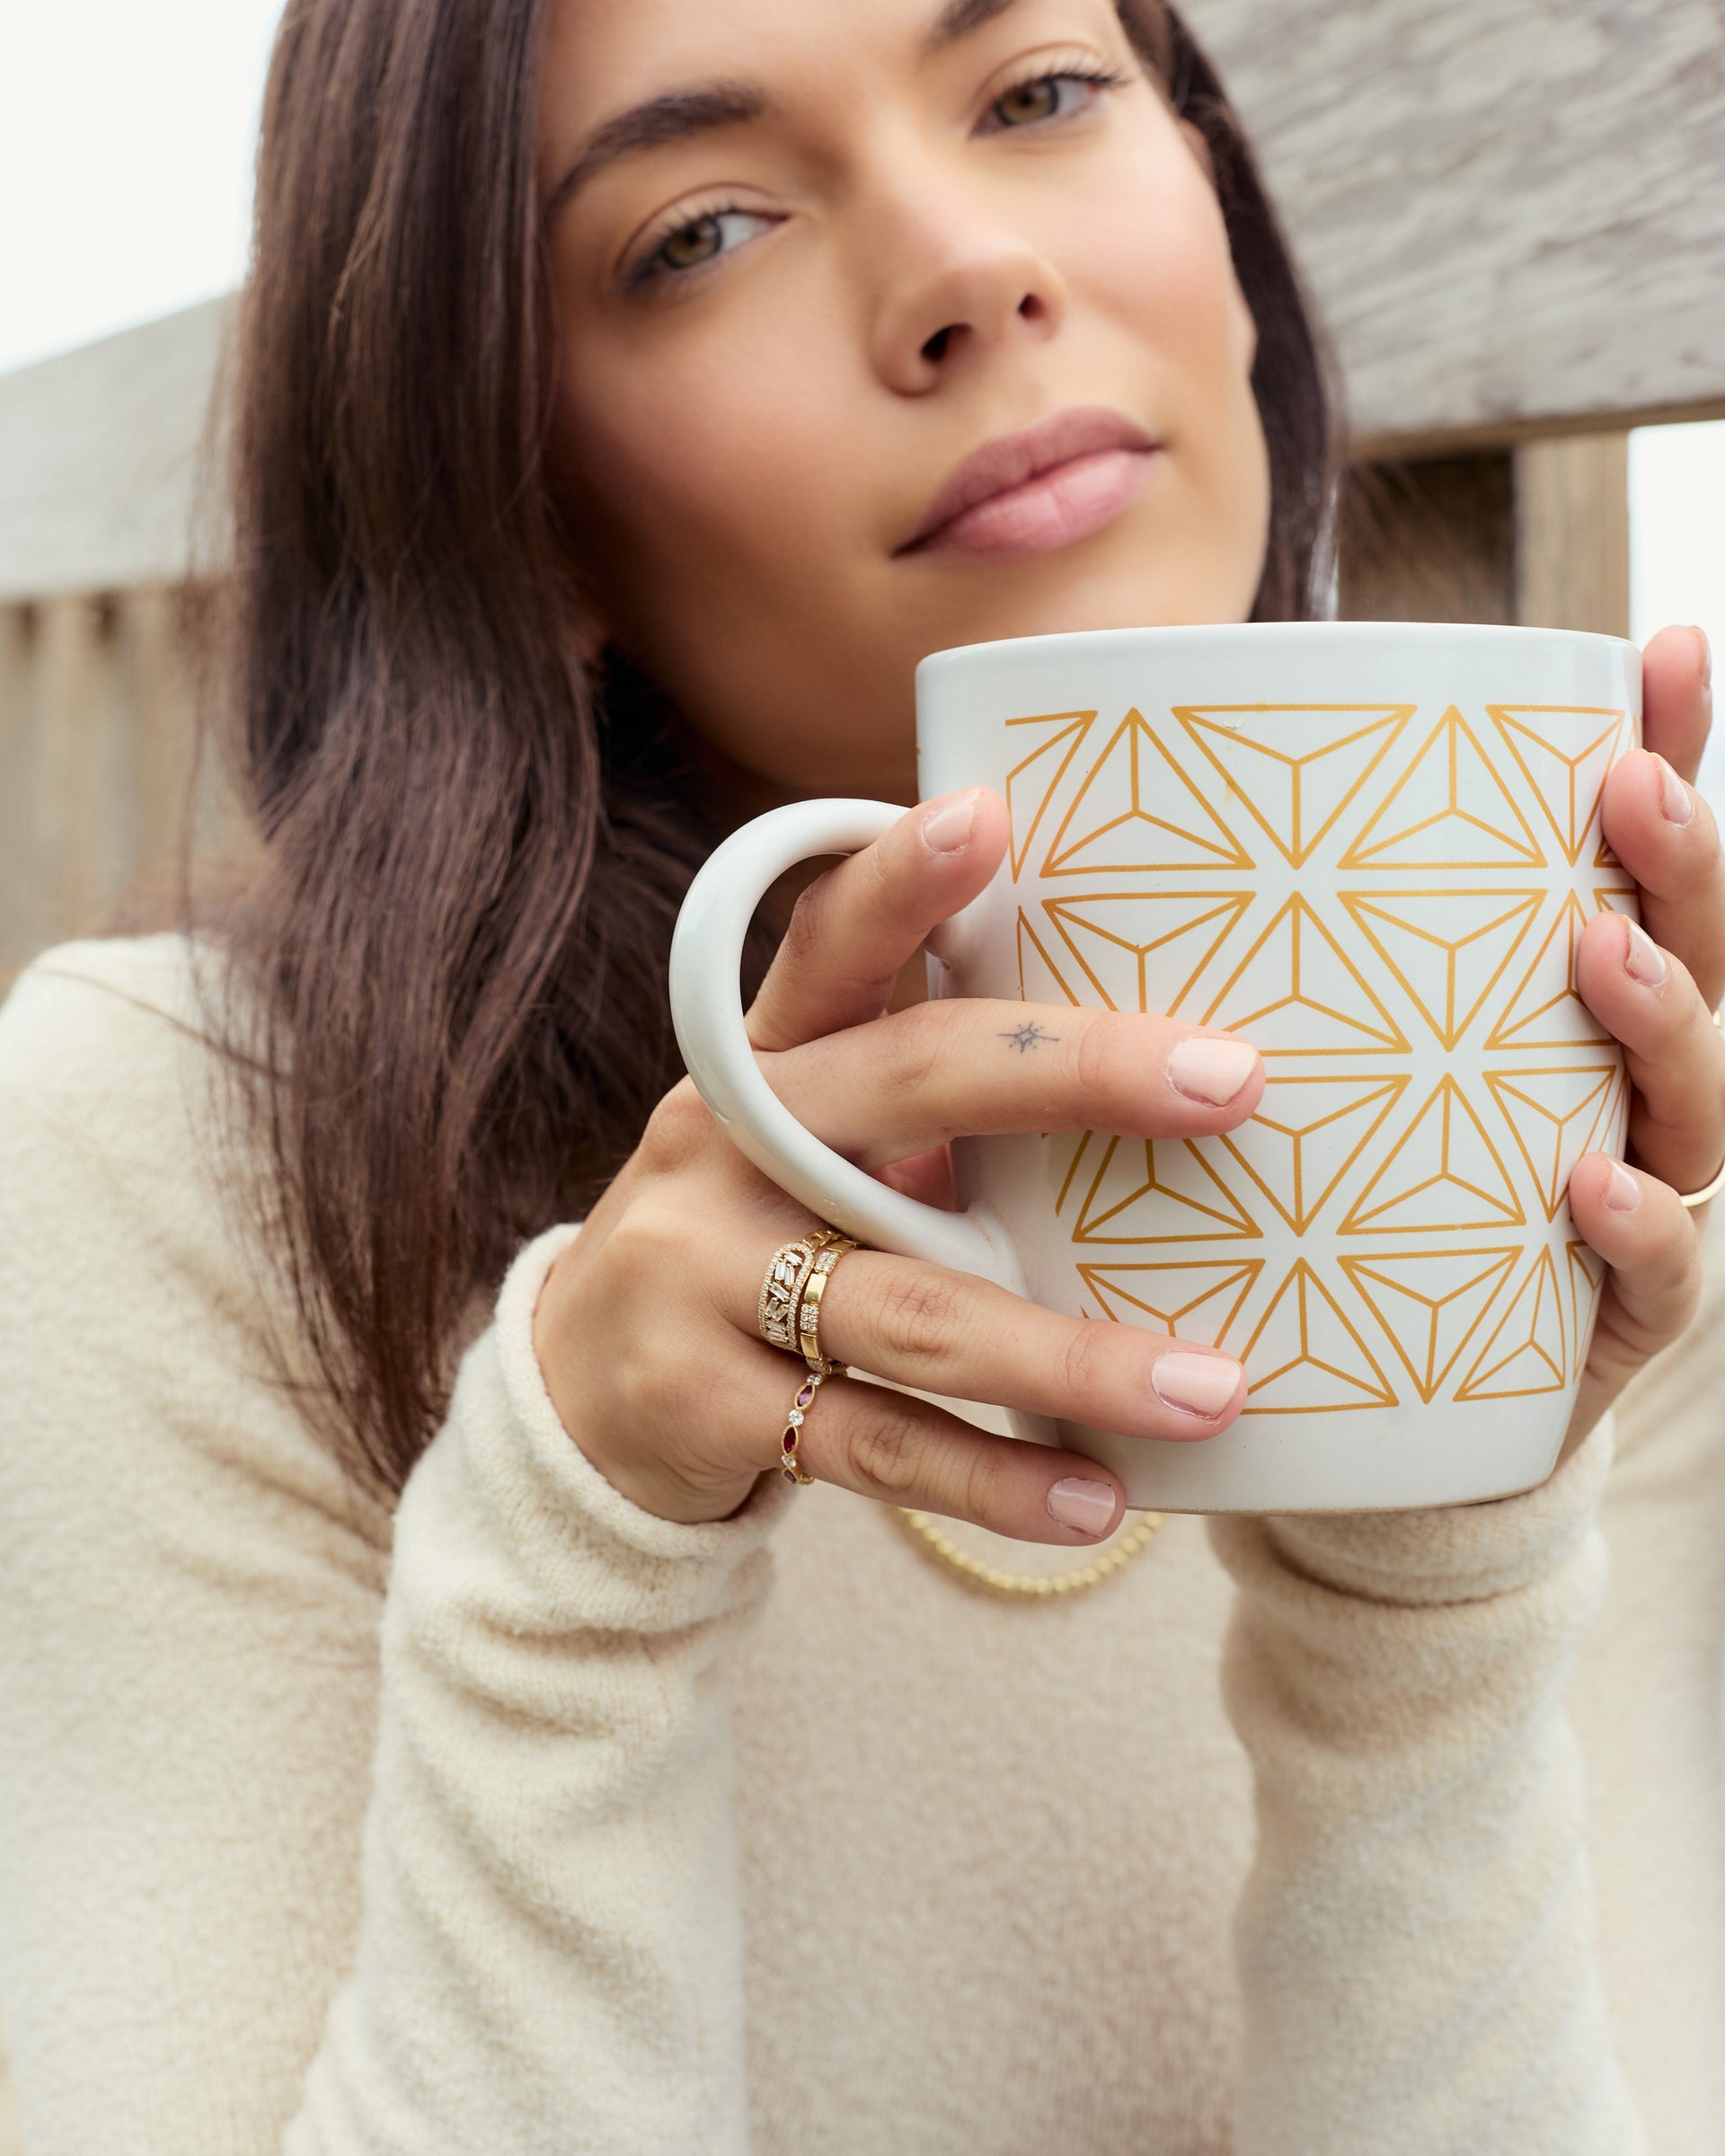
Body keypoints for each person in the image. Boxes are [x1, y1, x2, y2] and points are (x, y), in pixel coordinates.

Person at [0, 0, 1721, 2148]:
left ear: (1217, 202)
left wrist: (1439, 1567)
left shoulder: (1605, 1163)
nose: (962, 273)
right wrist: (574, 1563)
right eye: (704, 228)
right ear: (522, 506)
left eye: (1040, 91)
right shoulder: (170, 1157)